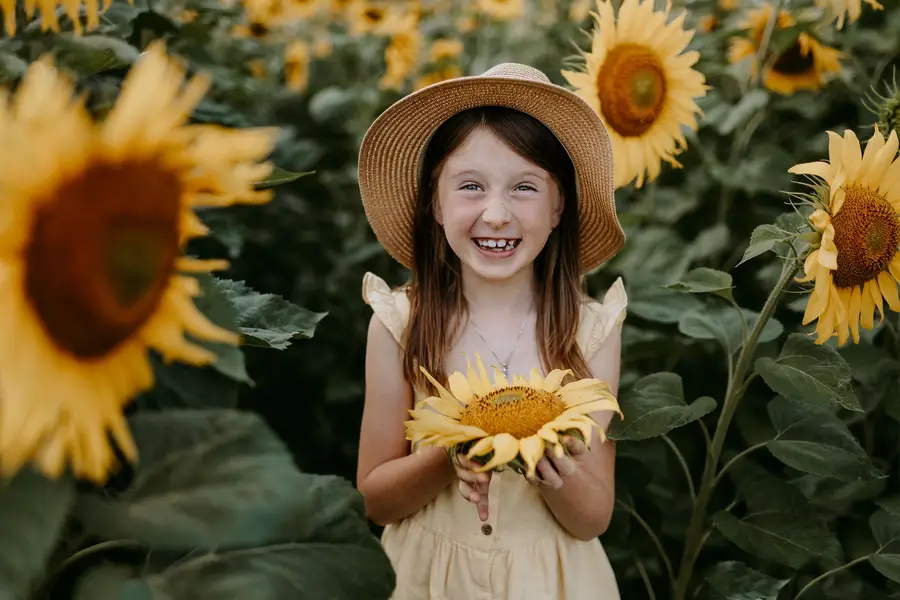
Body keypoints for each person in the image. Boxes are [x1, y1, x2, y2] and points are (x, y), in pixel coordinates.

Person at [355, 63, 627, 600]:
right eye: (471, 187)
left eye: (524, 187)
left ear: (558, 207)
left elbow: (593, 517)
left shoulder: (589, 329)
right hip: (428, 578)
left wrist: (545, 460)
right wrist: (453, 453)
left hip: (551, 581)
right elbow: (374, 500)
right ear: (435, 203)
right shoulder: (401, 324)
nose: (496, 214)